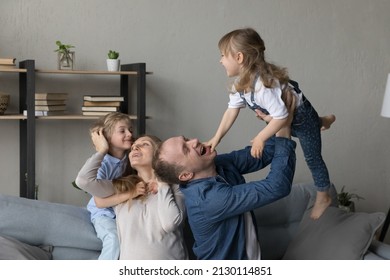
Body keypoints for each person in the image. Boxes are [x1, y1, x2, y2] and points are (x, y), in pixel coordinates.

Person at [205, 27, 335, 219]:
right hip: (284, 118)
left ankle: (323, 195)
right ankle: (324, 120)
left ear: (239, 57)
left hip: (302, 117)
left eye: (223, 55)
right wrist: (216, 138)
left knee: (313, 157)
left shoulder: (262, 86)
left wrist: (260, 138)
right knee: (308, 126)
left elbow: (282, 117)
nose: (220, 60)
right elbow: (231, 111)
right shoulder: (241, 85)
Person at [152, 98, 297, 260]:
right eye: (186, 149)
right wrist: (284, 125)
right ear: (186, 175)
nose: (194, 141)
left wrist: (275, 121)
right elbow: (277, 186)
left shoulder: (217, 165)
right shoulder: (208, 200)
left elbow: (264, 154)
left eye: (186, 139)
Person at [76, 133, 189, 260]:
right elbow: (83, 181)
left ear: (159, 154)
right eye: (133, 147)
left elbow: (170, 223)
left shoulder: (175, 186)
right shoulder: (122, 187)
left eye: (144, 144)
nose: (135, 148)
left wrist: (162, 182)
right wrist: (103, 150)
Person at [84, 112, 134, 260]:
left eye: (130, 129)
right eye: (122, 131)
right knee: (114, 239)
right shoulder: (103, 164)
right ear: (107, 138)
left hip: (121, 211)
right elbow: (100, 202)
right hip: (103, 214)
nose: (129, 134)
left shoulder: (130, 156)